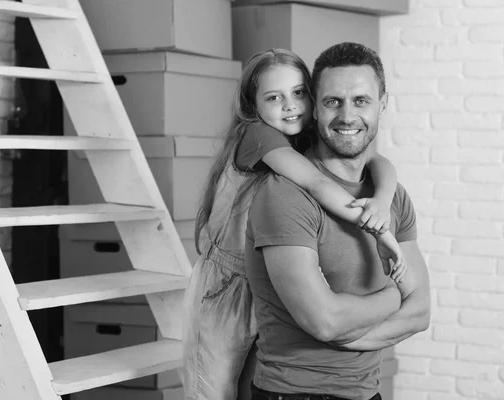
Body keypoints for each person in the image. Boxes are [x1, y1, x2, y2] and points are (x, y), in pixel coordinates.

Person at [183, 48, 407, 400]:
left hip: (269, 281)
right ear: (253, 106)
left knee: (252, 382)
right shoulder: (257, 135)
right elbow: (317, 184)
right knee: (213, 390)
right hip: (225, 287)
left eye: (299, 93)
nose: (290, 106)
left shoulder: (303, 134)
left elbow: (380, 162)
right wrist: (376, 226)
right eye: (274, 97)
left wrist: (382, 200)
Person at [244, 42, 431, 400]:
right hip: (293, 394)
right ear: (314, 106)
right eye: (333, 102)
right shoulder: (285, 194)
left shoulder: (391, 195)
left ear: (383, 105)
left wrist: (348, 336)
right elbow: (324, 321)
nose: (347, 116)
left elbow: (420, 313)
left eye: (361, 100)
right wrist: (394, 295)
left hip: (366, 393)